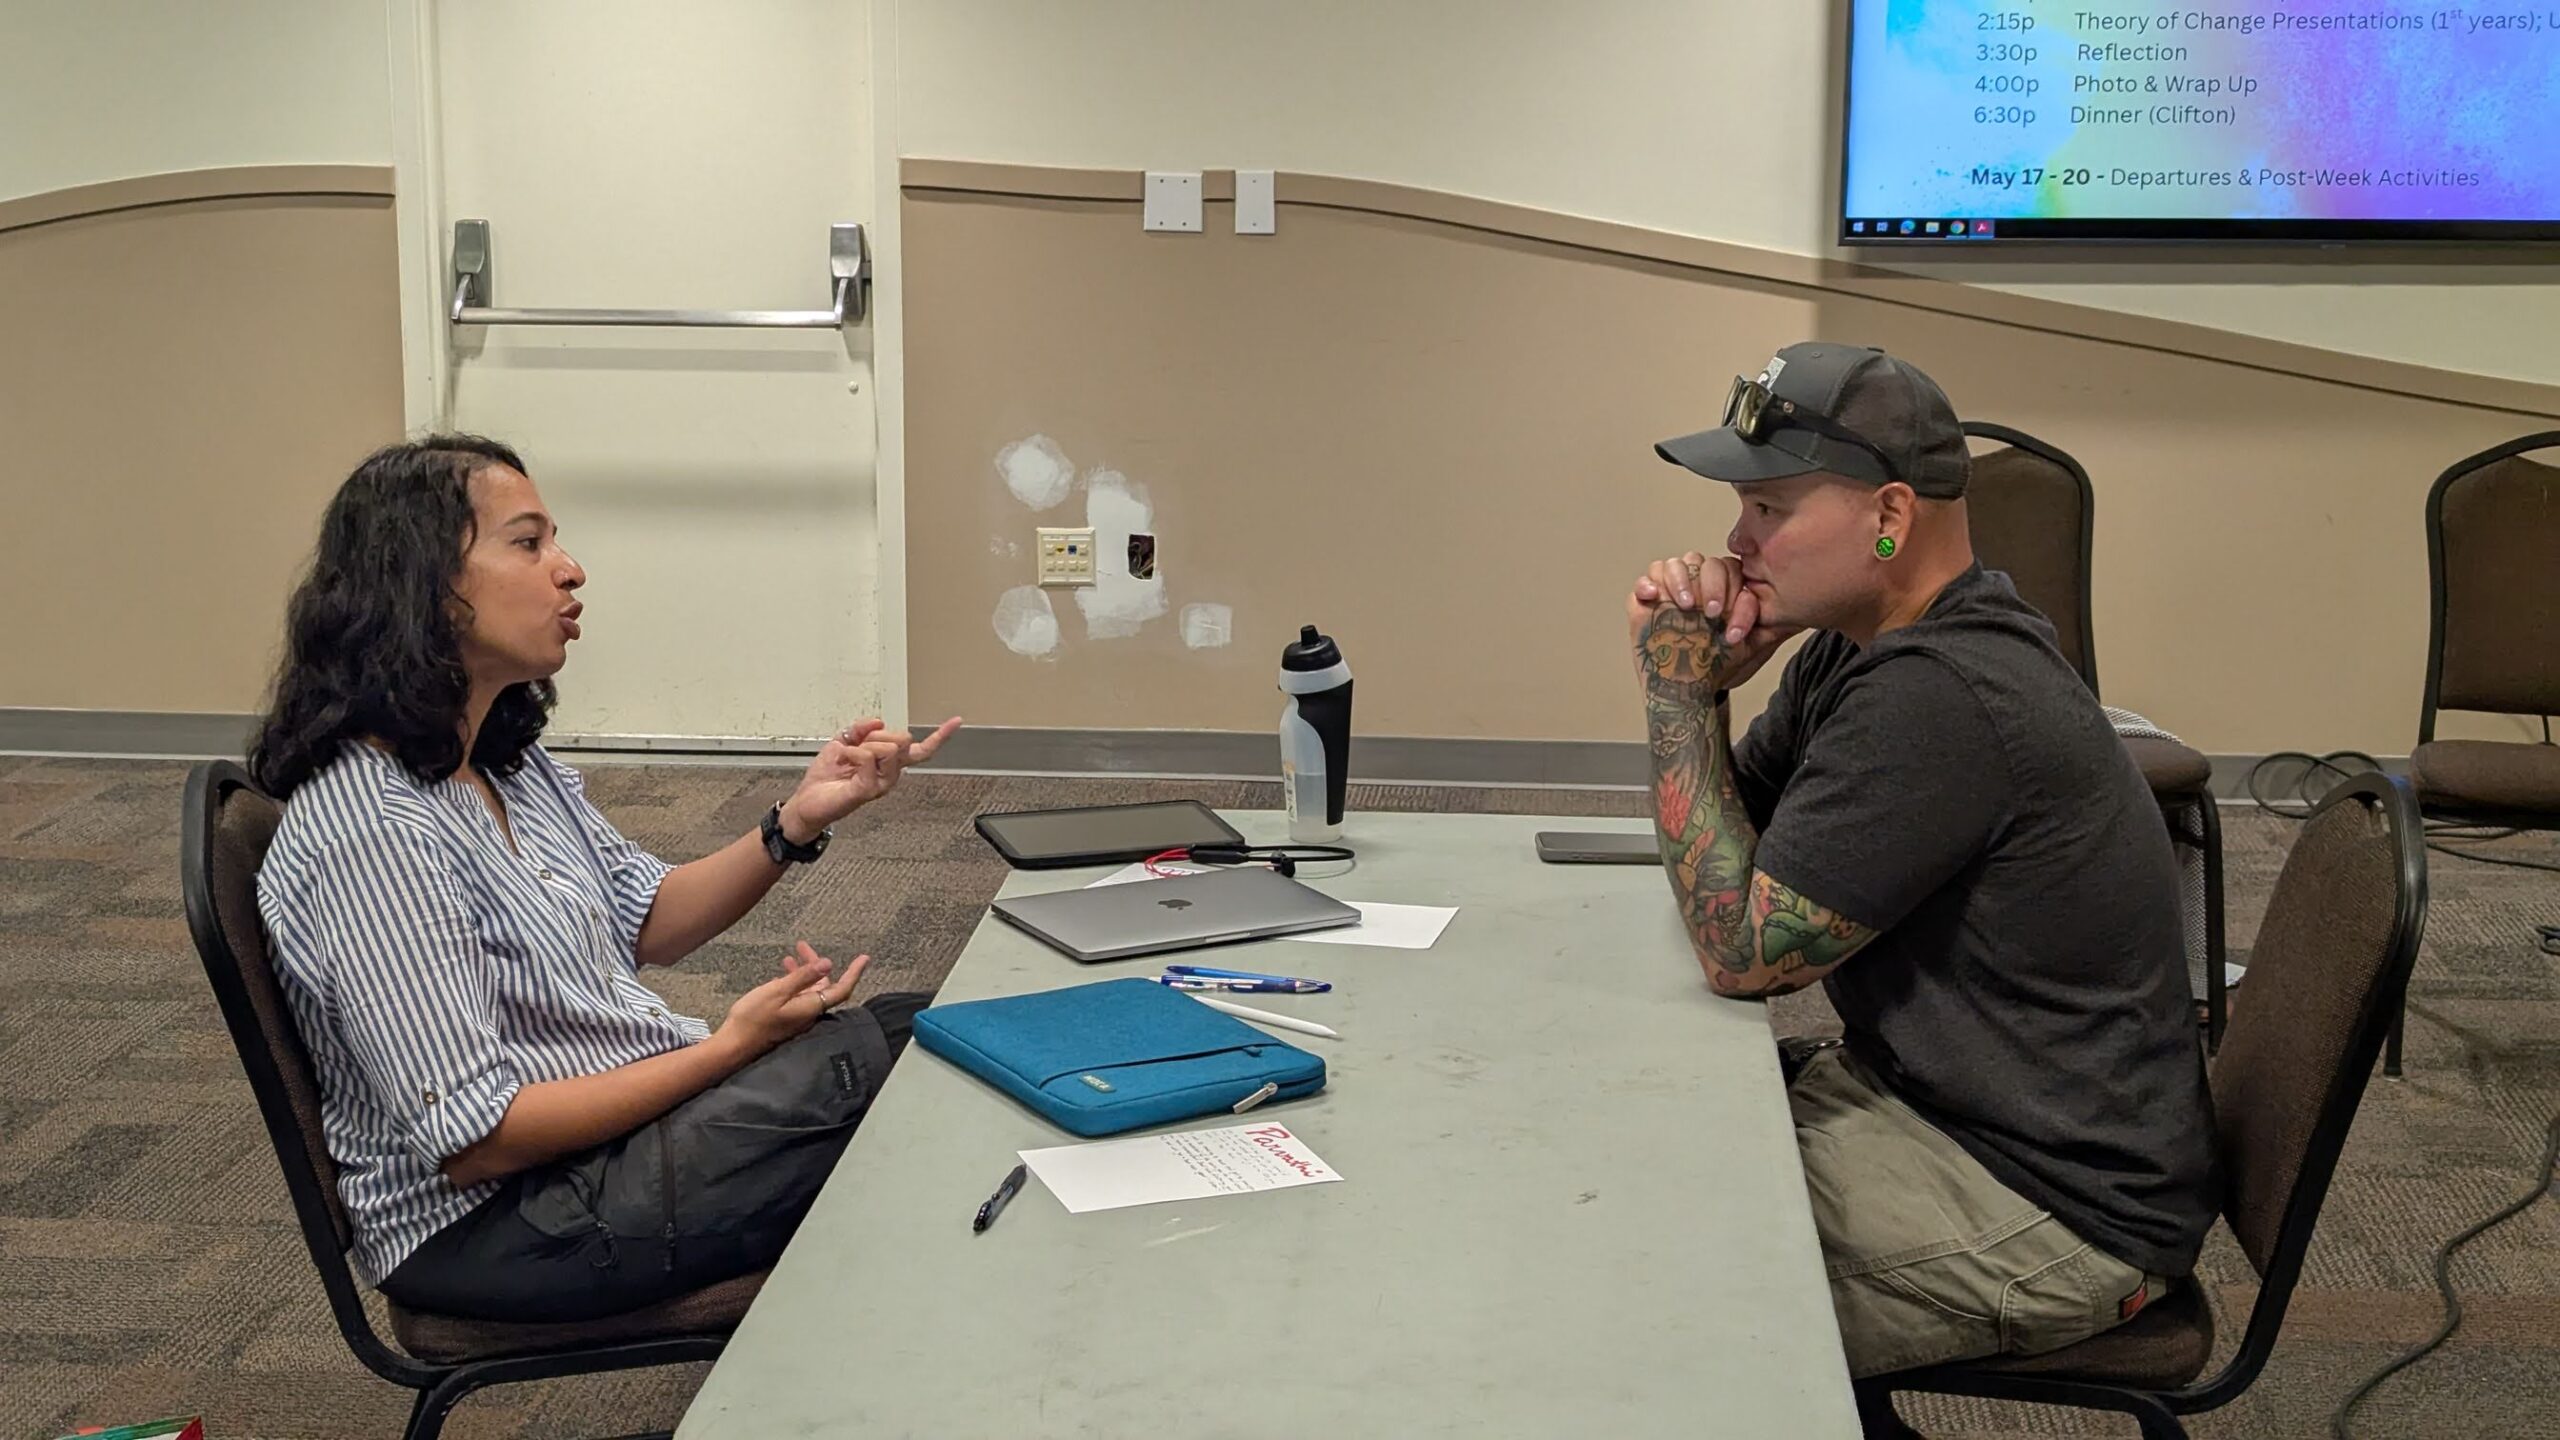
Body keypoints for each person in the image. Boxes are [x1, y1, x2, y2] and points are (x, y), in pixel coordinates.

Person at [251, 435, 963, 1322]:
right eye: (528, 543)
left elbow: (647, 917)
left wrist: (796, 821)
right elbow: (478, 1140)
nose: (570, 569)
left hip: (597, 1153)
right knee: (914, 1067)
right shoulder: (373, 833)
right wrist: (728, 1050)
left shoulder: (501, 759)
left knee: (932, 1043)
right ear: (423, 585)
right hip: (500, 1223)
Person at [1626, 344, 2217, 1378]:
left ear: (1889, 514)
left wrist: (1675, 690)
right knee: (1620, 1155)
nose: (1735, 540)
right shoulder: (1858, 647)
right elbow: (1734, 844)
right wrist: (1713, 681)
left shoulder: (1939, 694)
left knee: (1635, 1302)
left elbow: (1742, 951)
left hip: (2045, 1205)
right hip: (1936, 1110)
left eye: (1768, 508)